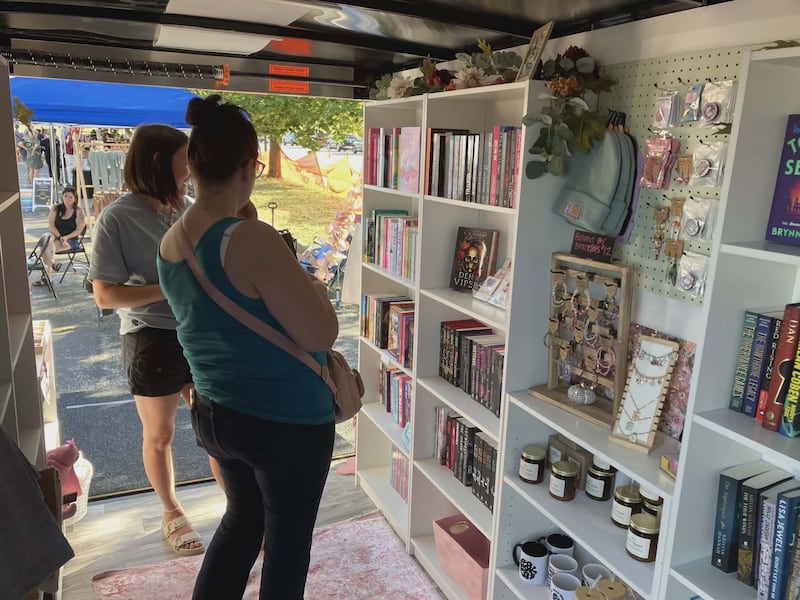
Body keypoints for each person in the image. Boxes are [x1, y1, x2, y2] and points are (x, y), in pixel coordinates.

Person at [157, 95, 338, 599]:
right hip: (285, 421)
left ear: (193, 166)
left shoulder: (171, 241)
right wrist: (318, 291)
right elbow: (320, 334)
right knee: (286, 545)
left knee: (241, 523)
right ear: (247, 165)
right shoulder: (251, 238)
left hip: (216, 412)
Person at [88, 124, 209, 557]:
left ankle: (241, 508)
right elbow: (106, 294)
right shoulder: (117, 217)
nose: (191, 171)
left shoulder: (189, 208)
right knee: (160, 433)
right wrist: (171, 285)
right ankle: (171, 510)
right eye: (184, 161)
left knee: (214, 424)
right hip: (150, 335)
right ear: (159, 162)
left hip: (197, 331)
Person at [32, 186, 86, 285]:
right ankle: (52, 265)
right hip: (56, 236)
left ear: (75, 199)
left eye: (70, 197)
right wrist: (60, 236)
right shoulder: (56, 208)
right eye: (65, 196)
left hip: (71, 239)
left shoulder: (78, 211)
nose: (67, 199)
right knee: (46, 241)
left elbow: (79, 230)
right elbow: (51, 224)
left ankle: (47, 277)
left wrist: (66, 238)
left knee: (45, 249)